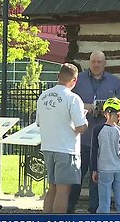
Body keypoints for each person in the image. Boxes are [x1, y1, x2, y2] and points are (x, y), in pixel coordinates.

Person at [68, 50, 120, 214]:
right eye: (93, 61)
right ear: (89, 62)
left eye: (99, 62)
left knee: (98, 179)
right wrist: (87, 107)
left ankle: (94, 212)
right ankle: (68, 210)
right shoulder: (78, 81)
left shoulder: (114, 82)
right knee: (76, 177)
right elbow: (69, 100)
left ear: (104, 63)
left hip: (104, 143)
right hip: (82, 139)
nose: (96, 65)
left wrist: (105, 110)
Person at [36, 63, 88, 213]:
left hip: (47, 146)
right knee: (63, 191)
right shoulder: (73, 98)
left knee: (51, 189)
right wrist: (86, 121)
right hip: (66, 149)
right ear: (75, 80)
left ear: (58, 76)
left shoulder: (43, 96)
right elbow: (80, 128)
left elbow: (39, 123)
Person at [91, 98, 120, 213]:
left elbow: (94, 151)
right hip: (119, 169)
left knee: (104, 202)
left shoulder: (97, 130)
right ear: (119, 114)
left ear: (105, 113)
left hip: (104, 170)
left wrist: (94, 170)